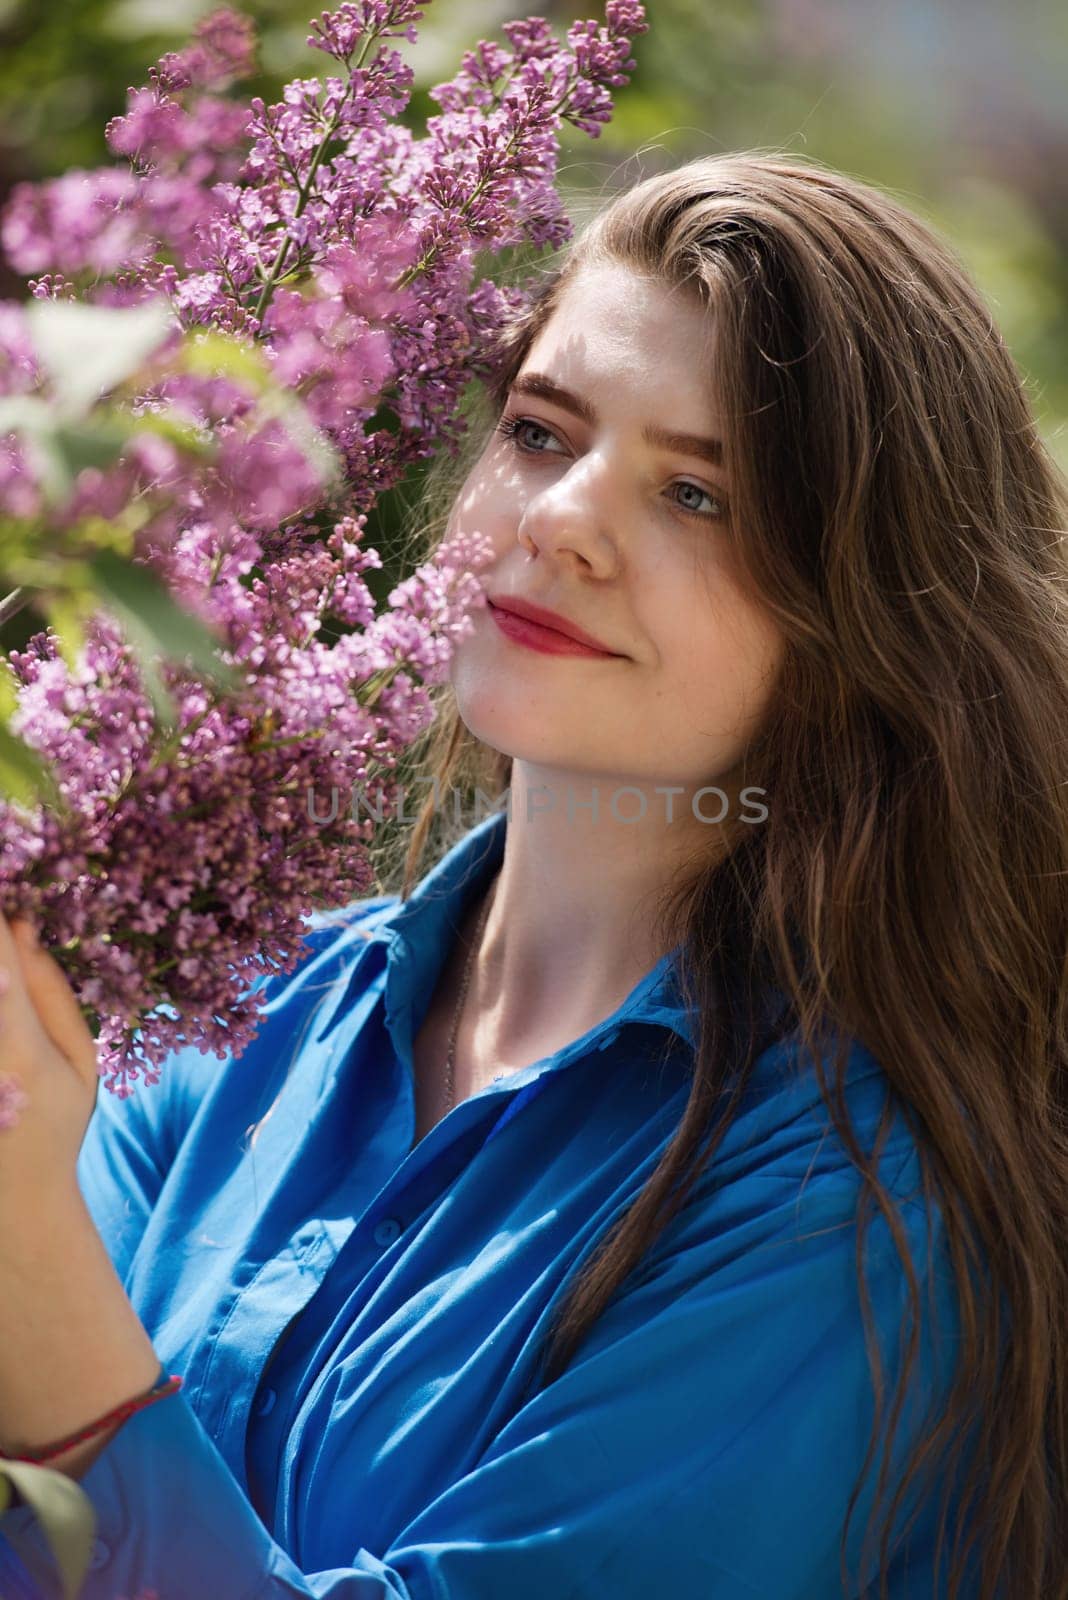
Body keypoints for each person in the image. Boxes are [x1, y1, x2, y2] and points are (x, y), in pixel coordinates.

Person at [1, 149, 1066, 1600]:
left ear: (862, 622)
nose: (564, 517)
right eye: (543, 431)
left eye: (701, 496)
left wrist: (33, 1276)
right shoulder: (242, 1008)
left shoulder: (857, 1199)